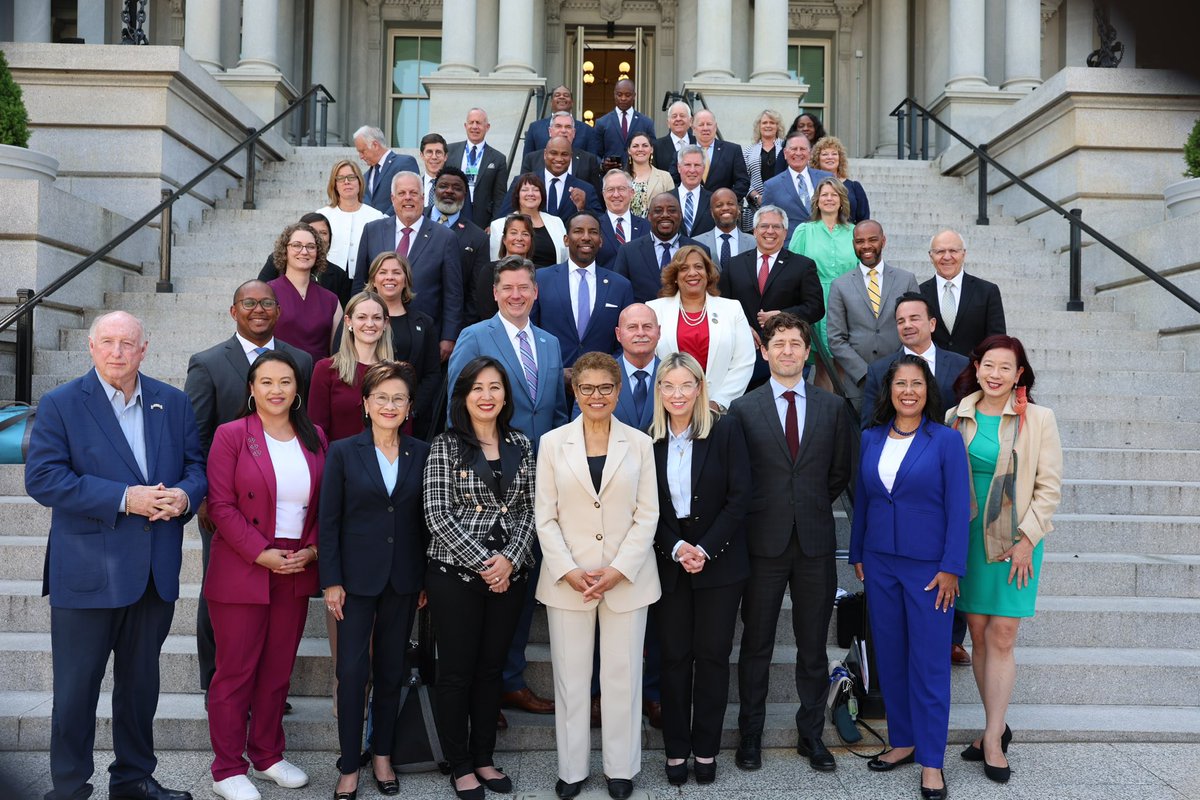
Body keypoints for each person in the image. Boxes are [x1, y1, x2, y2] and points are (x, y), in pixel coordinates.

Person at [25, 311, 206, 800]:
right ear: (90, 346)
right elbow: (42, 479)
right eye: (108, 342)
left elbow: (195, 467)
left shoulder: (173, 402)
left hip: (152, 575)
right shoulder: (61, 403)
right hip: (85, 573)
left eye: (128, 343)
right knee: (76, 691)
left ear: (144, 348)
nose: (118, 352)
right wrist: (127, 498)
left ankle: (133, 780)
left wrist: (185, 497)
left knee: (140, 688)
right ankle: (68, 788)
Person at [729, 314, 853, 774]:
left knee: (812, 646)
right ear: (764, 351)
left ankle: (811, 735)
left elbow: (839, 473)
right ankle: (751, 735)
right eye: (777, 343)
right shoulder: (744, 409)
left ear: (807, 352)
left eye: (795, 344)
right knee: (756, 644)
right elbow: (739, 478)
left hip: (816, 542)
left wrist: (809, 504)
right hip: (762, 543)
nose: (786, 351)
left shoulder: (832, 408)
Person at [535, 351, 660, 800]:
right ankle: (571, 769)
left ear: (618, 390)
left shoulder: (640, 444)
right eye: (586, 387)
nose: (596, 396)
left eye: (605, 387)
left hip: (626, 578)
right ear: (575, 391)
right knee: (570, 678)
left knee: (623, 677)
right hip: (568, 579)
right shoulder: (552, 443)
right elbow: (543, 517)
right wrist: (568, 569)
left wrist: (618, 569)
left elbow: (648, 515)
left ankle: (621, 768)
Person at [448, 256, 566, 720]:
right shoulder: (475, 336)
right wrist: (466, 477)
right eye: (508, 288)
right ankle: (483, 686)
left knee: (521, 585)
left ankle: (509, 681)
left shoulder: (550, 343)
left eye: (524, 287)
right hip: (486, 487)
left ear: (536, 293)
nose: (517, 295)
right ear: (495, 293)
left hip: (541, 483)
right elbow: (459, 408)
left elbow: (554, 412)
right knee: (486, 591)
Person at [205, 350, 326, 799]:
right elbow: (219, 505)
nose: (277, 390)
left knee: (277, 671)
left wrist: (312, 549)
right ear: (252, 389)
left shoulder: (316, 438)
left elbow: (324, 504)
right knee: (235, 672)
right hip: (244, 565)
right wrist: (262, 553)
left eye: (286, 382)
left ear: (298, 390)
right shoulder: (231, 435)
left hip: (295, 567)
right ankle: (227, 768)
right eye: (267, 381)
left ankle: (268, 755)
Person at [185, 281, 314, 703]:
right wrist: (205, 497)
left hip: (285, 504)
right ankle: (218, 681)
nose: (257, 310)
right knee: (220, 592)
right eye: (248, 303)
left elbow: (303, 429)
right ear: (233, 310)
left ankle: (265, 689)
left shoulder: (301, 361)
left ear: (278, 311)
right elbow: (196, 436)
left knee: (277, 602)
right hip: (225, 506)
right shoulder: (206, 363)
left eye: (266, 303)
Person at [849, 355, 970, 800]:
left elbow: (959, 509)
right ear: (889, 390)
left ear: (928, 390)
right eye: (900, 383)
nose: (908, 391)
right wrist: (858, 552)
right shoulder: (870, 438)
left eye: (916, 384)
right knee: (892, 656)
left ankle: (933, 761)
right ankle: (903, 741)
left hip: (929, 570)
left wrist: (952, 567)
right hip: (879, 563)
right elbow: (862, 500)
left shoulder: (945, 441)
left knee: (930, 662)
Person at [948, 335, 1062, 784]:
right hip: (968, 535)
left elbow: (1048, 487)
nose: (994, 374)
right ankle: (994, 724)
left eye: (1005, 368)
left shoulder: (1039, 418)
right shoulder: (956, 416)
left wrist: (1027, 540)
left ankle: (993, 737)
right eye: (987, 365)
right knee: (977, 632)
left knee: (1003, 633)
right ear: (976, 368)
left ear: (1019, 374)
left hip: (1017, 538)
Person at [423, 356, 538, 800]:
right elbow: (437, 515)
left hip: (511, 577)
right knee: (456, 672)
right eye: (477, 389)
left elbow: (531, 508)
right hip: (456, 576)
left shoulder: (521, 443)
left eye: (495, 387)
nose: (486, 396)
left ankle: (485, 757)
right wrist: (486, 563)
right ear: (464, 397)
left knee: (492, 670)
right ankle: (460, 764)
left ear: (506, 395)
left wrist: (509, 560)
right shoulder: (446, 446)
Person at [320, 361, 431, 800]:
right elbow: (327, 522)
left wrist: (422, 577)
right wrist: (331, 580)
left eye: (398, 398)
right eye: (381, 397)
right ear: (366, 404)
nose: (390, 405)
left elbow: (424, 522)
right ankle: (350, 763)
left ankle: (381, 755)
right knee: (351, 673)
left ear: (409, 407)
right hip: (354, 582)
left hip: (403, 580)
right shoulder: (344, 452)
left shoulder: (421, 452)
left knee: (390, 672)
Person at [649, 352, 751, 787]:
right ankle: (675, 749)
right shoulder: (646, 440)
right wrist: (675, 547)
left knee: (711, 658)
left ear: (699, 389)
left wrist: (704, 549)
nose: (677, 394)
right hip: (669, 567)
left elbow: (740, 496)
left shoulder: (725, 432)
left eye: (685, 386)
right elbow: (644, 507)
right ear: (660, 392)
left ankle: (705, 748)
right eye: (668, 386)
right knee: (672, 659)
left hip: (720, 565)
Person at [353, 171, 464, 360]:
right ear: (392, 198)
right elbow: (360, 283)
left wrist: (449, 336)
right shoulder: (372, 230)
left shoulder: (445, 237)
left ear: (422, 198)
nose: (408, 198)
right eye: (402, 193)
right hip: (374, 332)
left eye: (413, 193)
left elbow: (453, 293)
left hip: (423, 336)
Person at [718, 206, 823, 387]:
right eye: (764, 226)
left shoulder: (803, 266)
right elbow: (721, 305)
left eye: (776, 227)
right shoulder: (735, 264)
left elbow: (816, 307)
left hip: (784, 354)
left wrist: (782, 316)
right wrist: (742, 327)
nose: (770, 231)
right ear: (755, 230)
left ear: (785, 232)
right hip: (741, 353)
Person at [646, 245, 754, 412]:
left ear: (708, 274)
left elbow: (744, 362)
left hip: (718, 411)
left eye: (698, 267)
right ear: (675, 276)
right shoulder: (654, 310)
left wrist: (718, 402)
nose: (692, 273)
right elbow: (648, 362)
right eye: (684, 268)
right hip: (669, 407)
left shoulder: (732, 309)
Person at [530, 210, 635, 371]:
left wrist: (604, 372)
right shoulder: (541, 280)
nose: (586, 237)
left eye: (593, 232)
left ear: (601, 241)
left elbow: (626, 341)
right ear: (566, 239)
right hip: (552, 381)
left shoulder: (620, 286)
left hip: (603, 383)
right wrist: (555, 372)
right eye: (578, 231)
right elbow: (531, 331)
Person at [826, 219, 920, 397]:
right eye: (860, 241)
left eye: (872, 240)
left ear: (883, 241)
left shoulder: (906, 280)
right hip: (859, 384)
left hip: (902, 380)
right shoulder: (840, 285)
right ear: (854, 244)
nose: (866, 246)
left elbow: (916, 329)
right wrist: (865, 374)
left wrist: (897, 369)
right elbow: (836, 339)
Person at [359, 252, 441, 438]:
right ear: (373, 279)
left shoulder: (424, 323)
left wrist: (410, 409)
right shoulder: (357, 319)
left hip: (411, 422)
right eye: (383, 272)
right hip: (362, 418)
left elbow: (432, 373)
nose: (389, 277)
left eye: (396, 272)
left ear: (406, 280)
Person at [786, 177, 857, 386]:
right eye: (824, 194)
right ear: (817, 201)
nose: (829, 199)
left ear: (841, 200)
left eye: (834, 194)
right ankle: (823, 414)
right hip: (817, 301)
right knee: (823, 364)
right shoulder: (805, 231)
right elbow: (793, 270)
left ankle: (843, 412)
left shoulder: (853, 232)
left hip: (848, 301)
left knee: (843, 363)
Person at [310, 291, 394, 442]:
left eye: (376, 318)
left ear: (385, 323)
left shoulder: (396, 374)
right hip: (339, 462)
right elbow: (317, 431)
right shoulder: (326, 369)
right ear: (348, 321)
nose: (370, 324)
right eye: (362, 317)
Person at [920, 229, 1007, 357]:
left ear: (964, 254)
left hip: (973, 371)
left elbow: (997, 340)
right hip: (932, 373)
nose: (947, 257)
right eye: (940, 251)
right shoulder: (919, 293)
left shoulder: (987, 291)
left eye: (953, 251)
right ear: (930, 256)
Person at [612, 192, 709, 304]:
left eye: (672, 211)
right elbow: (619, 292)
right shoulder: (628, 251)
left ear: (681, 215)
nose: (665, 215)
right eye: (658, 211)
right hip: (643, 319)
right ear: (649, 216)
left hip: (687, 318)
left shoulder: (700, 250)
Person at [268, 221, 343, 363]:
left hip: (318, 380)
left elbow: (337, 353)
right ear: (285, 250)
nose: (304, 251)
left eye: (311, 246)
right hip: (278, 377)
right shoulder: (268, 293)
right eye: (296, 245)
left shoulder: (331, 300)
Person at [429, 166, 490, 327]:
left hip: (454, 325)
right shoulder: (414, 222)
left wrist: (459, 331)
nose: (449, 191)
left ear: (465, 195)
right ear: (434, 190)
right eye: (443, 186)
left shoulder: (478, 238)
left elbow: (476, 293)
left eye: (457, 188)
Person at [257, 213, 352, 307]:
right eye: (312, 231)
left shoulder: (338, 276)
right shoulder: (274, 269)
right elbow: (260, 292)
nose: (318, 237)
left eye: (323, 233)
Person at [501, 136, 602, 221]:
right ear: (545, 154)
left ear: (571, 157)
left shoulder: (586, 189)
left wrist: (583, 208)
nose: (559, 159)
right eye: (553, 153)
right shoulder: (522, 183)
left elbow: (599, 224)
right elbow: (502, 218)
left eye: (564, 154)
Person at [761, 132, 834, 239]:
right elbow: (766, 219)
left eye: (803, 149)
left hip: (825, 241)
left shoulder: (827, 178)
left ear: (810, 153)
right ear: (785, 154)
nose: (798, 153)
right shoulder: (772, 185)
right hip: (790, 246)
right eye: (794, 149)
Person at [320, 158, 387, 273]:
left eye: (351, 177)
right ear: (335, 185)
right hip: (329, 277)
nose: (346, 182)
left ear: (359, 182)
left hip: (365, 278)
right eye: (340, 178)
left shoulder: (375, 216)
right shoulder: (323, 215)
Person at [448, 108, 511, 228]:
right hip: (453, 213)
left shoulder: (498, 158)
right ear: (465, 126)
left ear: (487, 127)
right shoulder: (450, 151)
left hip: (482, 220)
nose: (474, 126)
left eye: (479, 123)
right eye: (471, 123)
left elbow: (500, 197)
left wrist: (494, 224)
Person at [488, 174, 567, 266]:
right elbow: (496, 263)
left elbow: (565, 257)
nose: (530, 194)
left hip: (551, 278)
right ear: (517, 195)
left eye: (536, 190)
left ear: (542, 195)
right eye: (525, 190)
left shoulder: (556, 222)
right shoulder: (499, 225)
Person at [520, 110, 603, 196]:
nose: (563, 130)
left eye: (568, 127)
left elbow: (596, 200)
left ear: (573, 133)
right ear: (550, 131)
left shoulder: (589, 160)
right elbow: (520, 194)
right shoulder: (531, 159)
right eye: (558, 126)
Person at [354, 124, 420, 215]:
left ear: (375, 145)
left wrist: (385, 219)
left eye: (362, 151)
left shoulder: (404, 163)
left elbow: (410, 197)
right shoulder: (365, 177)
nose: (361, 156)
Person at [524, 85, 597, 158]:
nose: (562, 97)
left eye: (566, 95)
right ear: (551, 102)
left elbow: (593, 160)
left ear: (572, 103)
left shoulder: (587, 130)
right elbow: (527, 160)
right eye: (557, 95)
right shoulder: (535, 127)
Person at [741, 109, 787, 227]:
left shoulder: (787, 148)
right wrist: (756, 196)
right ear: (759, 126)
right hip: (755, 207)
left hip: (784, 203)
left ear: (778, 126)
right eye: (764, 123)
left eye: (772, 123)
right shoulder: (748, 151)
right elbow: (743, 179)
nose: (768, 125)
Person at [691, 109, 749, 201]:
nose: (705, 128)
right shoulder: (683, 152)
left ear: (715, 127)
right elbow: (675, 181)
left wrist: (727, 200)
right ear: (693, 129)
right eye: (701, 124)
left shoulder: (732, 150)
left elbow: (743, 182)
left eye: (709, 124)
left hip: (722, 209)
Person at [597, 169, 649, 270]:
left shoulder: (647, 227)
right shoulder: (595, 227)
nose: (616, 195)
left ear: (631, 193)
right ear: (603, 194)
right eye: (610, 189)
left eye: (621, 189)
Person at [592, 78, 656, 160]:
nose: (623, 98)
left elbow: (653, 151)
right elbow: (595, 154)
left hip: (639, 171)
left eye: (628, 95)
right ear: (614, 95)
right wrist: (603, 164)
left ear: (634, 96)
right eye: (619, 95)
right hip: (611, 171)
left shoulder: (646, 123)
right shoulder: (602, 123)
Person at [693, 188, 755, 270]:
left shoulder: (754, 242)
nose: (725, 208)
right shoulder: (696, 243)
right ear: (712, 212)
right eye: (719, 205)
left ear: (738, 209)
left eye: (730, 204)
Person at [811, 135, 870, 223]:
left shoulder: (854, 187)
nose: (830, 157)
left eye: (834, 154)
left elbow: (863, 218)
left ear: (840, 158)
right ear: (817, 159)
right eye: (825, 154)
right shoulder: (811, 184)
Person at [625, 131, 676, 219]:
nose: (640, 149)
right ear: (629, 150)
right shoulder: (619, 177)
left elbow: (672, 208)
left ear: (651, 149)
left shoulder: (665, 177)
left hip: (656, 229)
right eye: (635, 146)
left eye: (645, 145)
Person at [672, 146, 715, 238]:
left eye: (697, 165)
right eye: (687, 165)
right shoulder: (666, 199)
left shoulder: (714, 200)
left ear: (703, 168)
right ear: (679, 168)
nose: (692, 170)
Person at [652, 101, 695, 183]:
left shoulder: (698, 143)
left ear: (690, 121)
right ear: (668, 123)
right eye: (674, 116)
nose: (678, 119)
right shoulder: (656, 146)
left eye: (682, 116)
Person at [419, 132, 448, 206]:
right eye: (429, 152)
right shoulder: (415, 187)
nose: (434, 157)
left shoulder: (456, 188)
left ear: (445, 157)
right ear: (422, 155)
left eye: (438, 152)